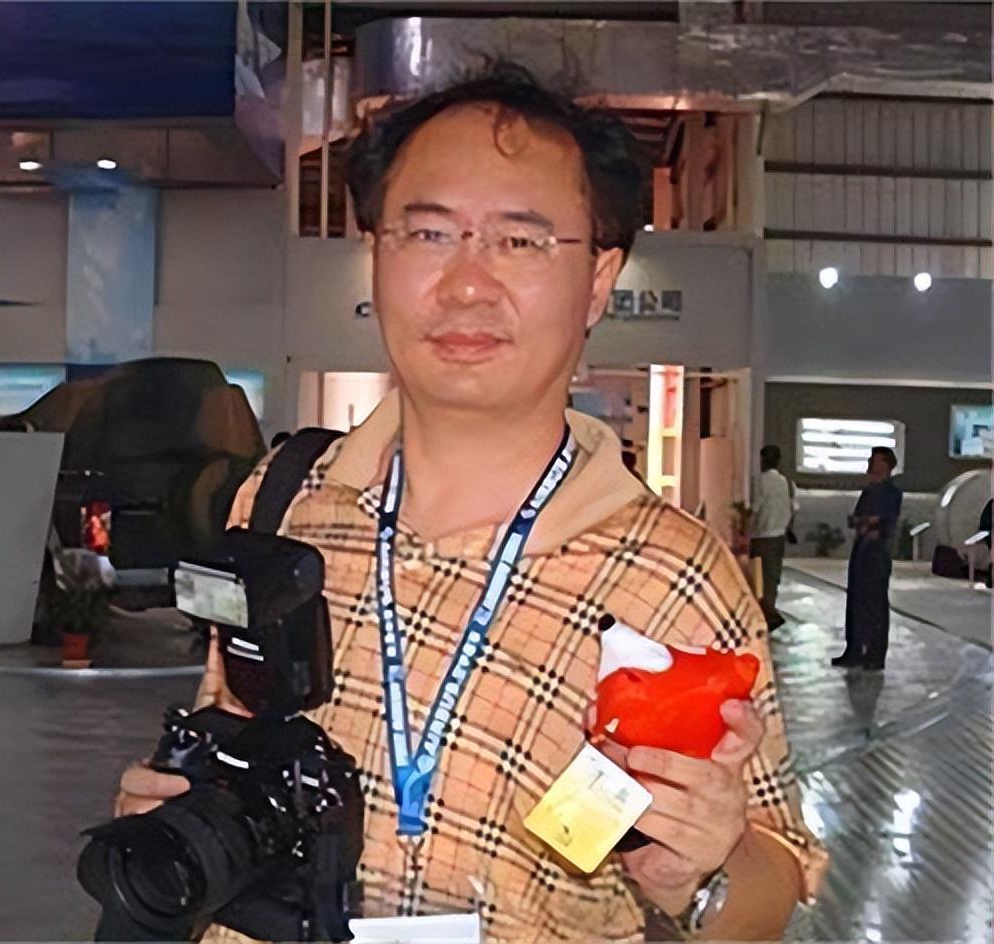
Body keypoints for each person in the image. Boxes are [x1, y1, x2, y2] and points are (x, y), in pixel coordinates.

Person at [115, 65, 823, 942]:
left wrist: (702, 874)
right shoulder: (283, 498)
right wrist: (182, 821)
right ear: (376, 254)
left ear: (599, 279)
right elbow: (230, 723)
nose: (467, 285)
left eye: (520, 241)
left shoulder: (672, 576)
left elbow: (775, 881)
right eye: (427, 233)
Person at [832, 446, 903, 672]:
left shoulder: (892, 493)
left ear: (887, 465)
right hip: (861, 549)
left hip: (877, 552)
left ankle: (875, 653)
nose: (871, 463)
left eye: (876, 460)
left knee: (875, 602)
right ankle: (854, 649)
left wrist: (869, 522)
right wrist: (865, 522)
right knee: (856, 599)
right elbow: (857, 519)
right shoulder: (869, 491)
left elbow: (882, 520)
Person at [749, 444, 797, 631]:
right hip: (778, 537)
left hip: (760, 537)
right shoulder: (787, 483)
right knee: (772, 579)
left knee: (757, 580)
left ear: (762, 460)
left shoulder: (759, 481)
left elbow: (755, 508)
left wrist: (744, 529)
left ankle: (765, 617)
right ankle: (770, 613)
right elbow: (794, 508)